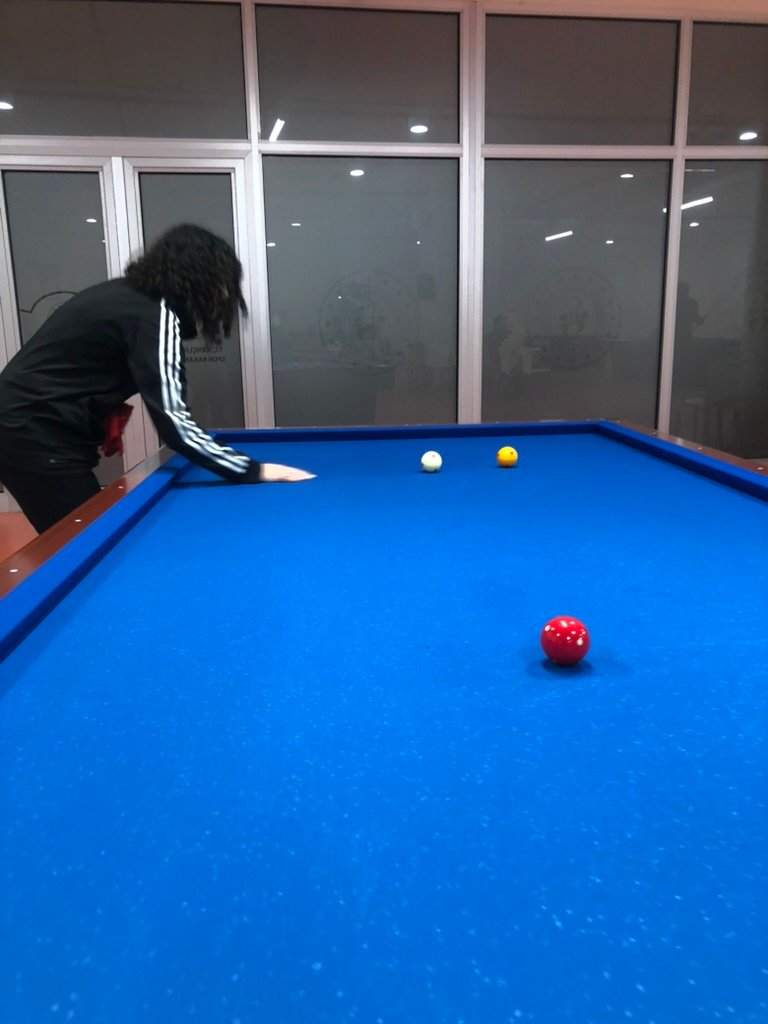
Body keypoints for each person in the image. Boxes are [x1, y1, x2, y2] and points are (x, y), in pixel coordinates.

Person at [0, 224, 314, 533]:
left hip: (23, 424)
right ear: (198, 276)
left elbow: (77, 363)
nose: (225, 293)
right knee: (85, 539)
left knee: (86, 533)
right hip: (29, 430)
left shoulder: (125, 295)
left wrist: (99, 406)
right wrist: (251, 470)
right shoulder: (154, 314)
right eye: (222, 282)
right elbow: (175, 424)